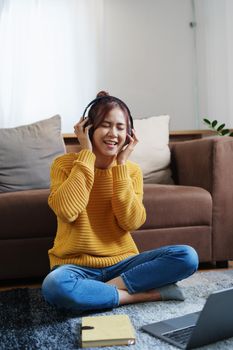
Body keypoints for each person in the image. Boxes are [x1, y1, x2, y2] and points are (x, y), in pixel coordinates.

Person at [42, 91, 199, 313]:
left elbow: (131, 222)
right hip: (75, 267)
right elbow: (68, 211)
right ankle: (144, 295)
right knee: (54, 286)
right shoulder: (64, 165)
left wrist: (121, 165)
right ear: (89, 128)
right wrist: (86, 154)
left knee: (187, 257)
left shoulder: (130, 171)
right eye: (106, 125)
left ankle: (97, 292)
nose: (113, 134)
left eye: (120, 127)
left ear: (129, 135)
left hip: (124, 264)